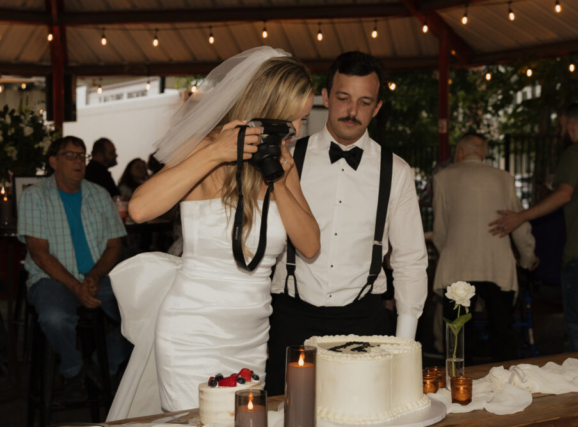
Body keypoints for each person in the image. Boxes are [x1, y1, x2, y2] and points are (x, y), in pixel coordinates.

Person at [106, 47, 320, 421]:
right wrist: (217, 153)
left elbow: (310, 245)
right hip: (192, 333)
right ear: (267, 111)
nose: (297, 131)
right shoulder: (205, 151)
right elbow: (139, 209)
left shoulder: (285, 167)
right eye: (292, 120)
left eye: (303, 120)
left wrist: (280, 183)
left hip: (252, 335)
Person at [266, 51, 429, 396]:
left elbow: (410, 258)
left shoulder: (395, 171)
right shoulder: (287, 157)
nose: (352, 111)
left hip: (365, 322)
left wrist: (404, 342)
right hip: (291, 317)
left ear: (377, 108)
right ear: (325, 98)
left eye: (364, 102)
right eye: (343, 98)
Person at [490, 103, 578, 351]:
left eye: (560, 128)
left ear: (569, 127)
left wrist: (521, 216)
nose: (559, 134)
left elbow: (564, 195)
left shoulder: (576, 154)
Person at [17, 136, 130, 403]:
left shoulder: (99, 194)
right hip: (50, 278)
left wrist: (93, 276)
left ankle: (103, 363)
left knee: (143, 312)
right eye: (71, 156)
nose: (79, 161)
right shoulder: (35, 196)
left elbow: (115, 246)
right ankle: (73, 370)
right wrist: (76, 286)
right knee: (55, 317)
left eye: (82, 156)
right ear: (53, 161)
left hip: (96, 277)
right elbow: (40, 253)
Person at [433, 133, 538, 363]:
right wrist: (527, 255)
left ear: (460, 151)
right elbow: (518, 221)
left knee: (458, 335)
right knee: (502, 330)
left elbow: (440, 230)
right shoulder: (504, 178)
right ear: (484, 153)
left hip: (458, 265)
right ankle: (505, 381)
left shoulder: (443, 178)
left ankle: (457, 384)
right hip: (497, 264)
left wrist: (447, 251)